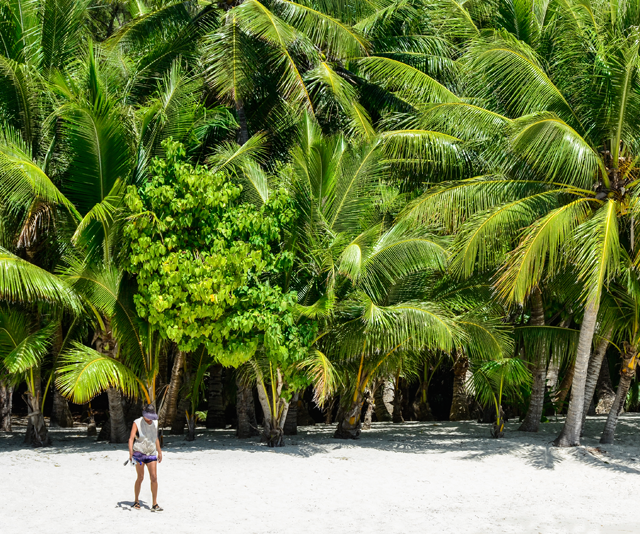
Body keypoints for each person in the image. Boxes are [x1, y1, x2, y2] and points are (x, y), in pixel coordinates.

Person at [128, 404, 163, 512]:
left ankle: (155, 504)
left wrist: (159, 451)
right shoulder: (137, 422)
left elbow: (155, 438)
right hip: (139, 453)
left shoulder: (155, 423)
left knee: (154, 478)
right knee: (140, 477)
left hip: (151, 452)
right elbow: (131, 438)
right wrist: (130, 453)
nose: (150, 418)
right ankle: (136, 501)